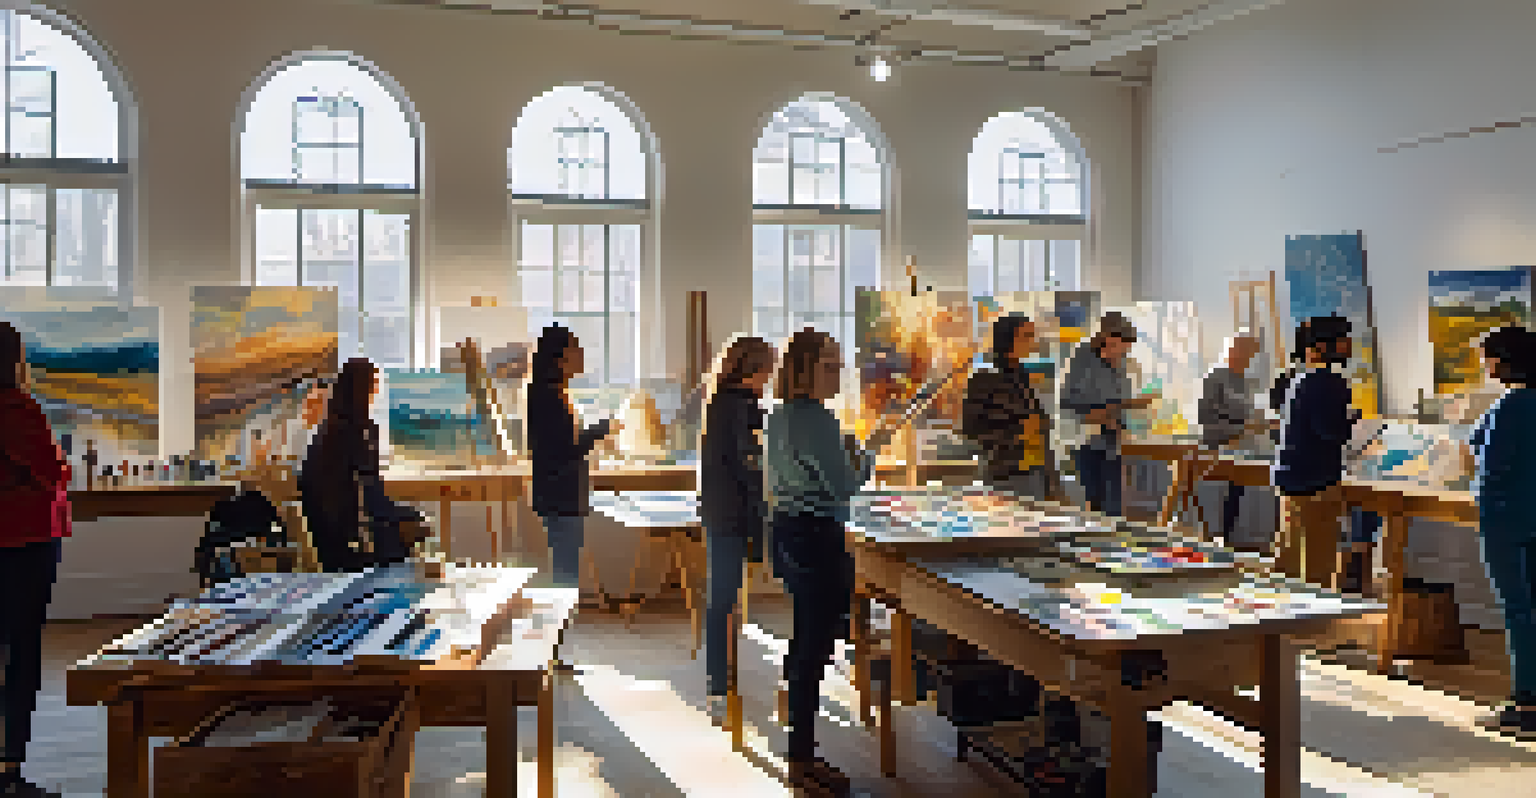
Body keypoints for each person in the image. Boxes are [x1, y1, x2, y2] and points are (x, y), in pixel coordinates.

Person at [764, 329, 875, 798]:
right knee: (813, 646)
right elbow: (846, 486)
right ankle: (802, 758)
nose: (837, 373)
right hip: (816, 537)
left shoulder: (780, 415)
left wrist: (846, 454)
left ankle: (799, 750)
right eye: (830, 366)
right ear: (805, 369)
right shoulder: (818, 420)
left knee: (806, 642)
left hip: (787, 531)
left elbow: (811, 472)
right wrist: (865, 457)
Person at [0, 321, 69, 798]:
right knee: (22, 652)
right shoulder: (16, 408)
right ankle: (9, 768)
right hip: (24, 540)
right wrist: (63, 463)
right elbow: (51, 471)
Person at [699, 336, 776, 716]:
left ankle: (719, 682)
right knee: (724, 600)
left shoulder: (724, 402)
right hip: (733, 514)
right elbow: (748, 464)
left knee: (723, 599)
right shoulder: (737, 406)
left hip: (722, 512)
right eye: (768, 369)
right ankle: (718, 685)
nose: (771, 377)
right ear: (754, 369)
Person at [1468, 326, 1536, 739]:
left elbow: (1490, 466)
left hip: (1507, 519)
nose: (1485, 365)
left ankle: (1526, 703)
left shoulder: (1510, 406)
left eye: (1489, 357)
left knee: (1518, 611)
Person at [300, 358, 426, 573]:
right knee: (414, 525)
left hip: (326, 541)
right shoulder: (360, 433)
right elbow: (373, 497)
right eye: (375, 386)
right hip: (355, 546)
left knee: (405, 522)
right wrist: (414, 518)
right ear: (366, 390)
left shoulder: (325, 433)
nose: (377, 393)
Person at [526, 325, 621, 591]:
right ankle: (558, 627)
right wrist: (602, 429)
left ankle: (560, 624)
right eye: (575, 349)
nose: (581, 355)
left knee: (565, 568)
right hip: (560, 494)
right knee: (565, 574)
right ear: (560, 356)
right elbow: (565, 448)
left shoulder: (550, 392)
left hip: (559, 492)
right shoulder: (549, 395)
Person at [1272, 315, 1358, 586]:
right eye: (1345, 341)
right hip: (1316, 483)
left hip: (1291, 478)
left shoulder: (1299, 379)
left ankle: (1278, 619)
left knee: (1289, 558)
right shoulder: (1329, 381)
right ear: (1326, 345)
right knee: (1318, 565)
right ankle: (1312, 624)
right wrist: (1352, 421)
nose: (1349, 346)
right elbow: (1330, 431)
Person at [1061, 311, 1153, 516]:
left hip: (1113, 442)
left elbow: (1119, 400)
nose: (1122, 355)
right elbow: (1070, 404)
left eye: (1126, 351)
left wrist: (1124, 420)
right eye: (1121, 349)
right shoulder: (1083, 359)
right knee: (1095, 504)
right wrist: (1118, 408)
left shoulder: (1119, 364)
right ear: (1107, 339)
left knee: (1114, 506)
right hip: (1086, 441)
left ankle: (1113, 543)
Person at [962, 314, 1060, 501]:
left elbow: (1036, 426)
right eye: (1027, 336)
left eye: (1033, 335)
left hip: (1034, 470)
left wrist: (1052, 482)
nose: (1033, 342)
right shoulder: (986, 378)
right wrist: (1018, 433)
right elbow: (972, 429)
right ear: (1009, 339)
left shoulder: (1022, 375)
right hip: (1005, 473)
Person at [1197, 334, 1269, 538]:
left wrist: (1260, 424)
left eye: (1251, 355)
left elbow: (1246, 415)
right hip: (1217, 451)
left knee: (1234, 501)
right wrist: (1242, 429)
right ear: (1233, 351)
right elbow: (1206, 419)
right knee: (1214, 507)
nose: (1248, 360)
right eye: (1245, 353)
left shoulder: (1245, 383)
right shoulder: (1215, 378)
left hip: (1241, 451)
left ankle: (1226, 541)